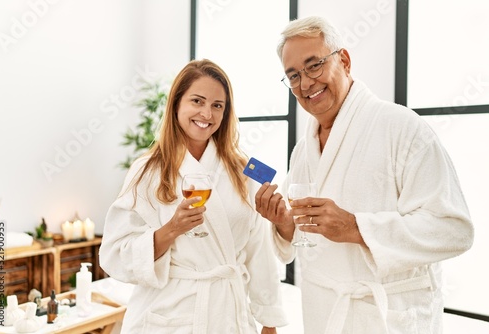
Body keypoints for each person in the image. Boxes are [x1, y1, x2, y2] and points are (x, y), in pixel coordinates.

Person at [255, 16, 474, 334]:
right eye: (293, 76)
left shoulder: (402, 127)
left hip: (387, 318)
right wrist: (284, 224)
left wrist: (356, 227)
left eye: (314, 65)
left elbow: (454, 230)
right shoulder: (304, 150)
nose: (305, 84)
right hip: (323, 314)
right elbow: (305, 235)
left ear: (343, 60)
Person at [99, 59, 287, 334]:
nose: (207, 113)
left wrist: (269, 321)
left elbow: (258, 249)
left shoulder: (241, 170)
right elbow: (115, 254)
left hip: (228, 314)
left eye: (217, 105)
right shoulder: (148, 170)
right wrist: (171, 229)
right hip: (168, 313)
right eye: (197, 101)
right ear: (176, 104)